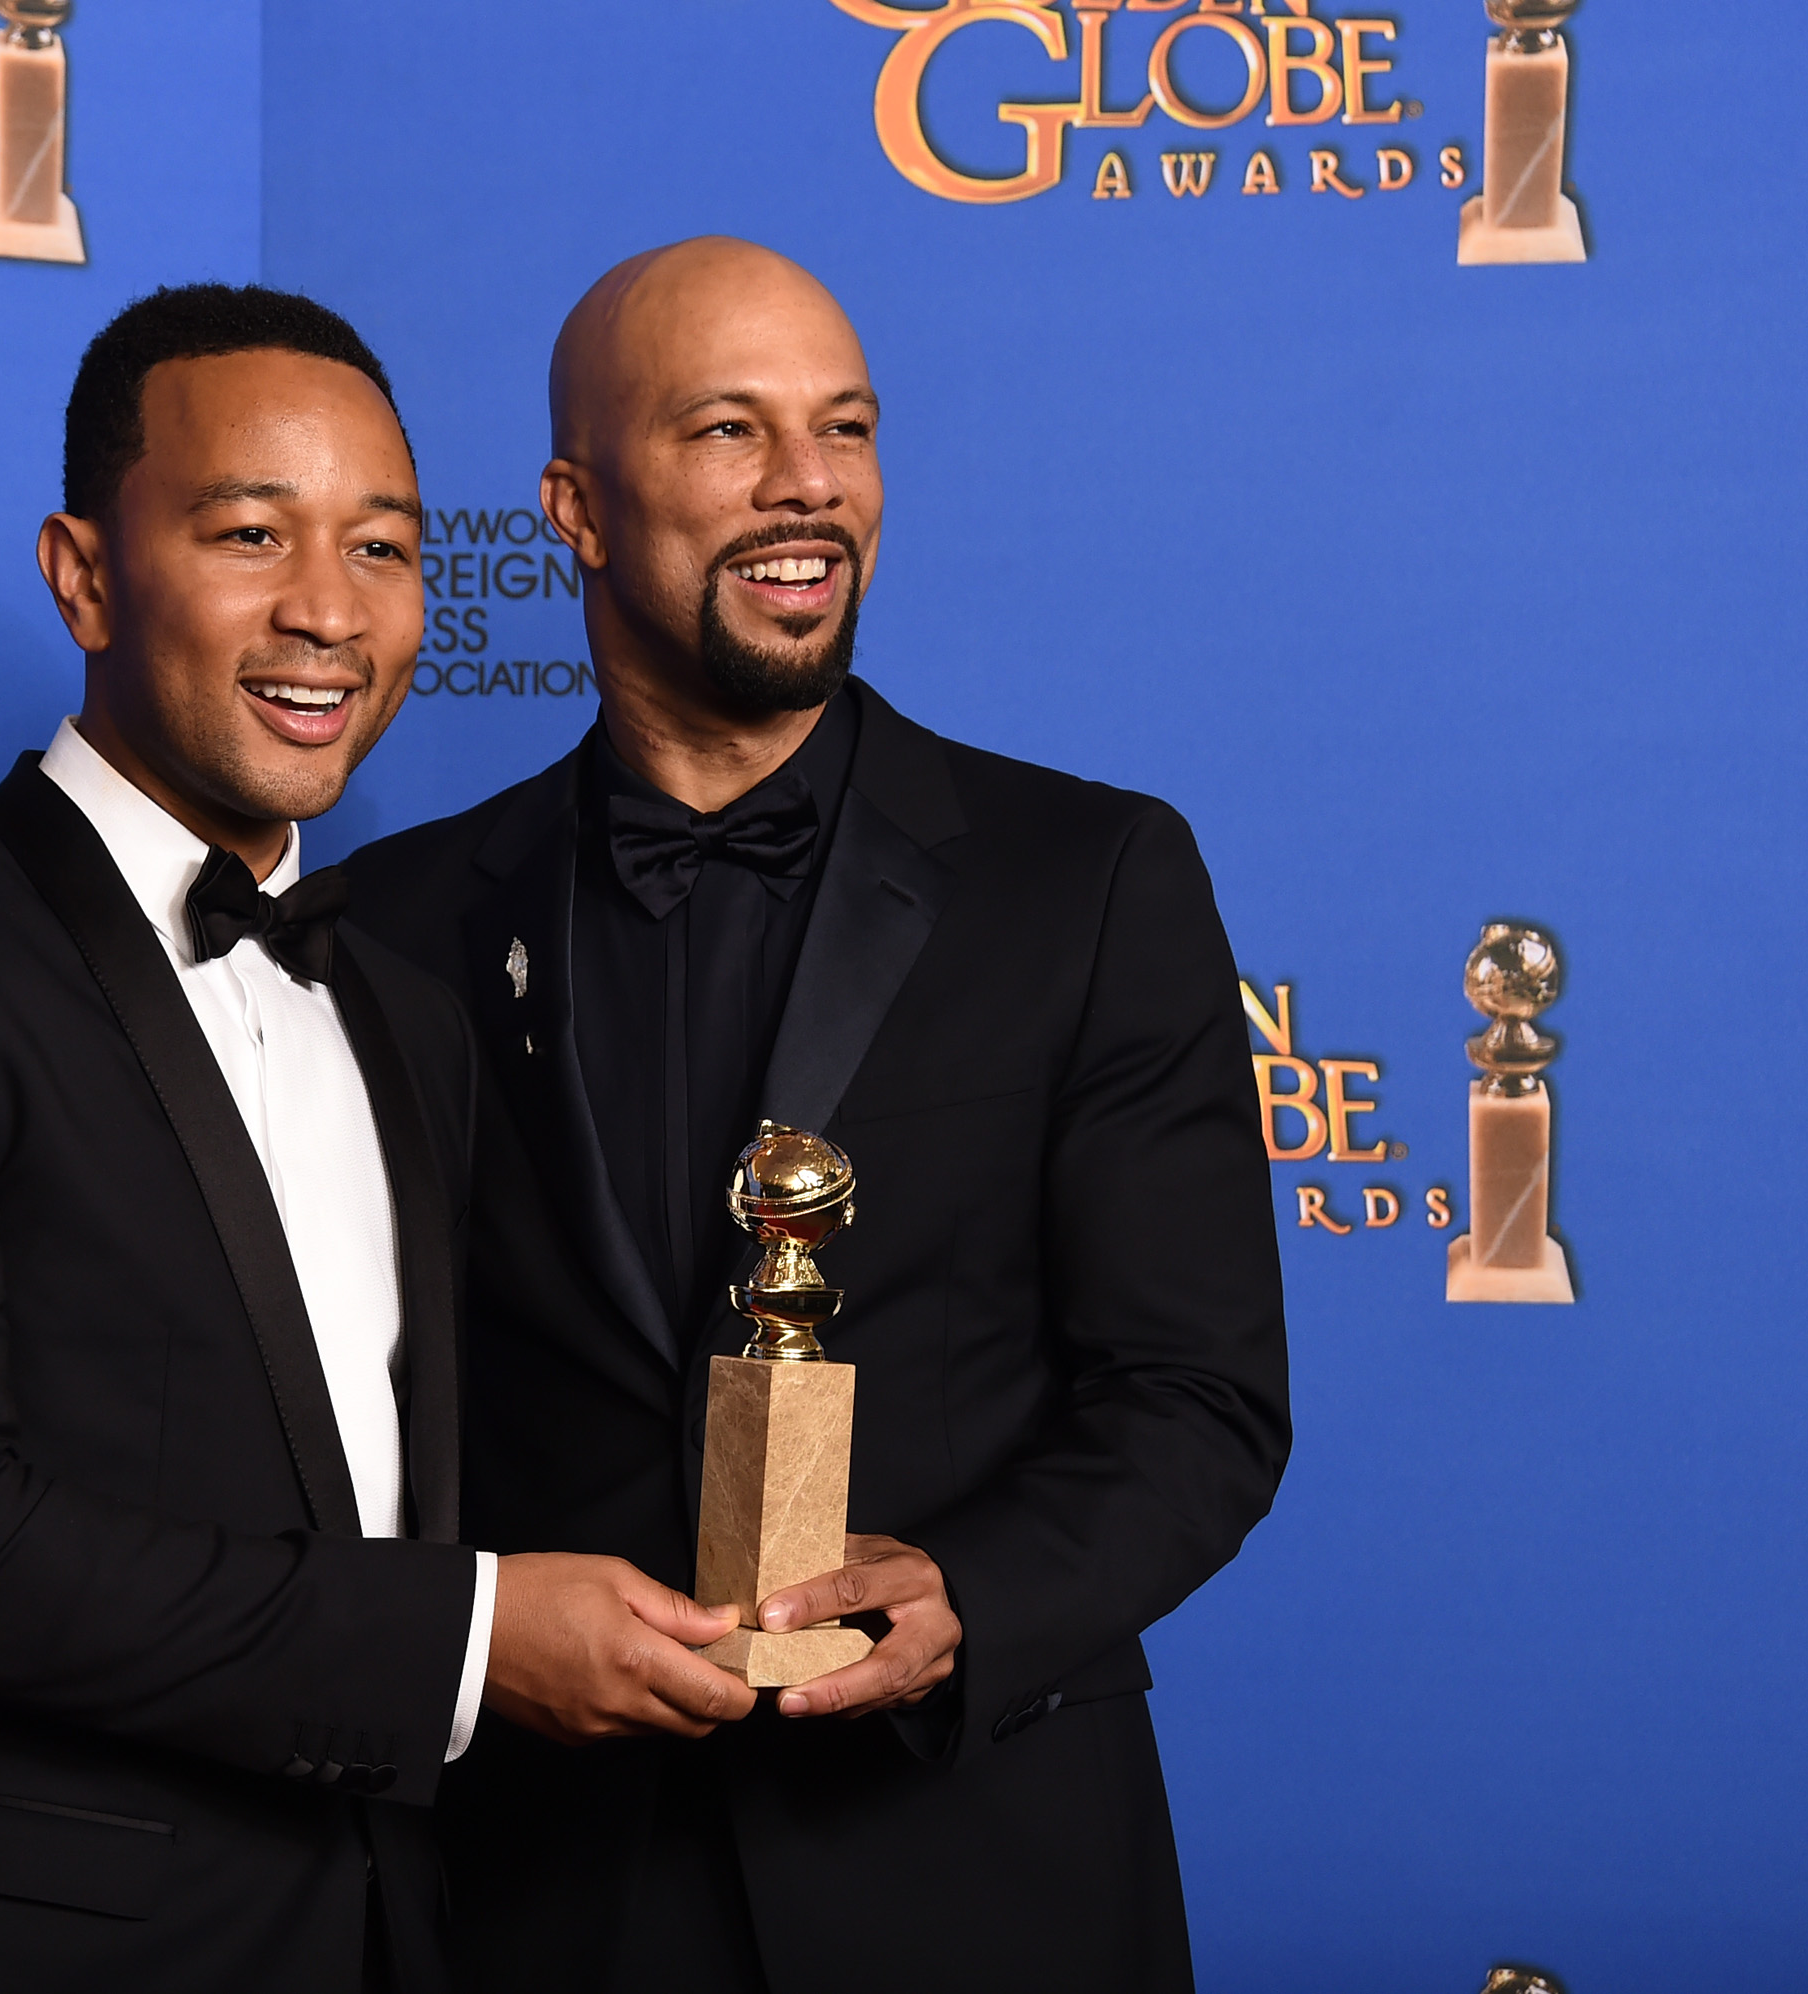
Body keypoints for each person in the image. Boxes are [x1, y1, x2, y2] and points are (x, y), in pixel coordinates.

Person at [0, 284, 752, 1994]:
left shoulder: (411, 1013)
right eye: (253, 534)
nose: (329, 611)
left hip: (390, 1932)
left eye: (384, 550)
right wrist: (472, 1640)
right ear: (86, 572)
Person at [343, 239, 1293, 1992]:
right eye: (728, 429)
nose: (808, 485)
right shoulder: (391, 928)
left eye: (843, 429)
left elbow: (1202, 1397)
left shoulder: (1087, 880)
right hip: (549, 1886)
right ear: (576, 504)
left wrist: (971, 1599)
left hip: (977, 1869)